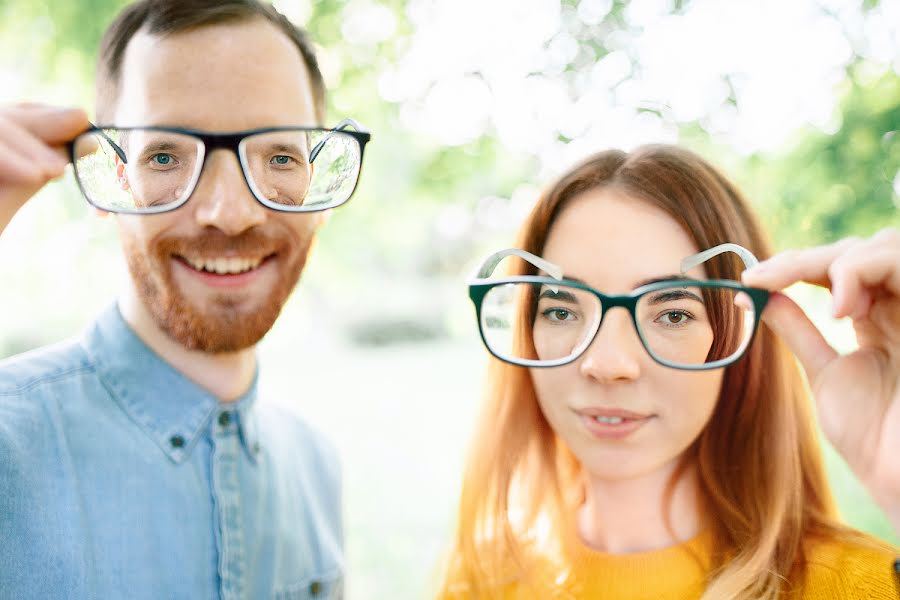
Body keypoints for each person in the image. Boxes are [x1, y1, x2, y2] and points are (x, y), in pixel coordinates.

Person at [0, 1, 369, 598]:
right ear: (107, 183)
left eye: (279, 156)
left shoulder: (316, 466)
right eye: (166, 156)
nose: (230, 214)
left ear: (317, 191)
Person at [437, 145, 899, 599]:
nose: (607, 365)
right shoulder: (482, 580)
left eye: (673, 314)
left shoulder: (856, 587)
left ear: (740, 338)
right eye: (560, 311)